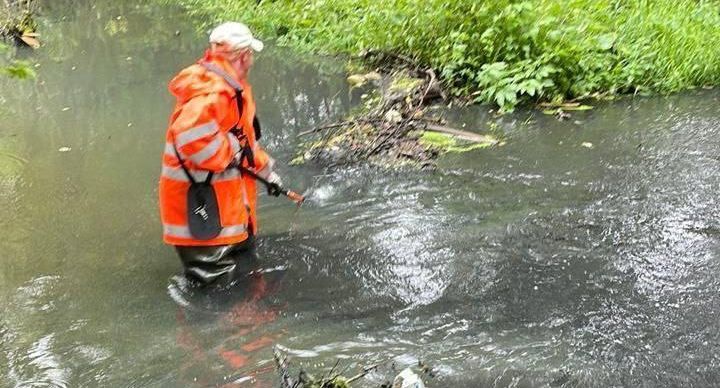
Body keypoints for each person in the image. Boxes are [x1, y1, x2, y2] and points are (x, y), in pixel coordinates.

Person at [159, 22, 282, 285]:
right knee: (214, 291)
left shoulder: (228, 87)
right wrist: (231, 150)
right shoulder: (213, 91)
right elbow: (191, 137)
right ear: (244, 55)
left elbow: (243, 144)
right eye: (251, 55)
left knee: (243, 279)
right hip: (203, 212)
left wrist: (266, 171)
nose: (252, 60)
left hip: (226, 212)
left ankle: (247, 321)